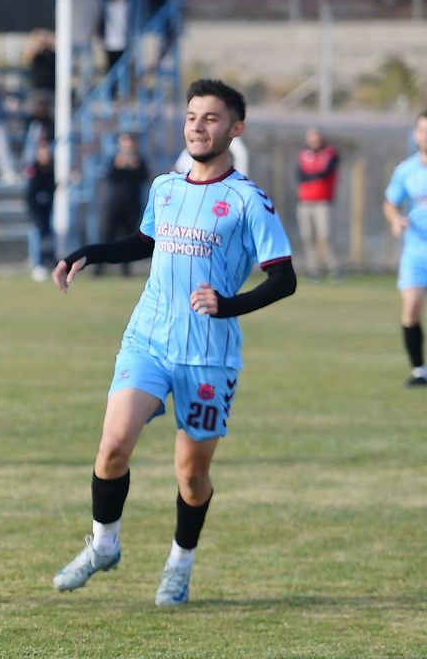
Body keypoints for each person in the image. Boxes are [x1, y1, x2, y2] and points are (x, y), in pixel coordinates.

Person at [50, 79, 296, 607]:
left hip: (209, 355)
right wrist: (85, 252)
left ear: (235, 128)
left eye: (211, 118)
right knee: (113, 446)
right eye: (191, 117)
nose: (198, 127)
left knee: (191, 474)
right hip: (148, 340)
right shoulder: (165, 187)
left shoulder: (248, 200)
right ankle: (103, 545)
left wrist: (228, 305)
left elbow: (284, 278)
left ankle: (179, 564)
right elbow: (144, 242)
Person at [382, 111, 427, 388]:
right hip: (416, 252)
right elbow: (390, 202)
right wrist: (395, 219)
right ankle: (419, 370)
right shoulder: (406, 170)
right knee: (411, 309)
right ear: (415, 134)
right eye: (423, 130)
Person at [97, 132, 151, 277]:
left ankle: (125, 269)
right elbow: (108, 175)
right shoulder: (114, 158)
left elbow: (145, 176)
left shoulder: (139, 160)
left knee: (128, 237)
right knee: (107, 235)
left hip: (132, 204)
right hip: (113, 203)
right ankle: (99, 268)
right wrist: (119, 165)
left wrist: (134, 166)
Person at [296, 128, 340, 281]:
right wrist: (313, 176)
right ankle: (313, 269)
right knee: (307, 236)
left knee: (325, 236)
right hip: (305, 201)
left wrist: (313, 176)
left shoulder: (329, 153)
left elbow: (325, 172)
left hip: (323, 202)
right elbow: (301, 175)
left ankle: (333, 268)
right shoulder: (304, 154)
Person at [25, 137, 55, 282]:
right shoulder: (33, 170)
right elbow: (29, 194)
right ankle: (37, 265)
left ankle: (49, 262)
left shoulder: (53, 169)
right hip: (37, 211)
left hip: (49, 210)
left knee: (49, 238)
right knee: (36, 235)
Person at [71, 0, 101, 98]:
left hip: (85, 41)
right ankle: (65, 94)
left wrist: (93, 34)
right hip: (70, 40)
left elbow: (97, 19)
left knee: (86, 71)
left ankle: (82, 97)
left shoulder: (94, 0)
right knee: (63, 69)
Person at [100, 0, 129, 75]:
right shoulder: (107, 4)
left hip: (123, 43)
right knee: (110, 70)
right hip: (109, 43)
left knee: (123, 71)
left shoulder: (127, 5)